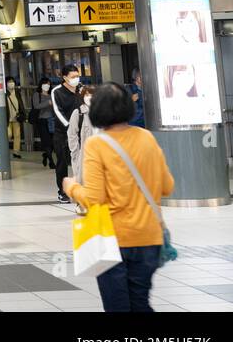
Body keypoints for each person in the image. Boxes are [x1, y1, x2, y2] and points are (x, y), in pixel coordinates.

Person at [63, 83, 175, 312]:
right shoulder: (146, 138)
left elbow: (94, 198)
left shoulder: (97, 144)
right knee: (140, 302)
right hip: (148, 238)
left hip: (112, 240)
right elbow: (167, 186)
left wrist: (71, 187)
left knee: (118, 307)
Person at [50, 65, 82, 202]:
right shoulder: (56, 91)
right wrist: (70, 128)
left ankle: (82, 188)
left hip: (80, 132)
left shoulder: (81, 89)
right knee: (62, 162)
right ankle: (62, 191)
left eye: (77, 76)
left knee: (81, 161)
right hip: (62, 133)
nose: (76, 79)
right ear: (64, 78)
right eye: (73, 77)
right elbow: (58, 112)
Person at [67, 85, 97, 185]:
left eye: (92, 95)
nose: (89, 97)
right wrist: (75, 153)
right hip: (82, 156)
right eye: (87, 95)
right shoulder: (78, 113)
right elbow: (71, 134)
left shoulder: (102, 113)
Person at [32, 80, 55, 168]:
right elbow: (36, 106)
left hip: (52, 120)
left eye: (49, 84)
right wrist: (48, 103)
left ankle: (46, 154)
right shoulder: (37, 95)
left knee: (53, 141)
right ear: (41, 85)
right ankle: (51, 162)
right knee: (46, 141)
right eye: (45, 84)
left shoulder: (51, 95)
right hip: (42, 121)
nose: (47, 86)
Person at [5, 77, 25, 159]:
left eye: (12, 81)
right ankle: (5, 150)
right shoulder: (4, 93)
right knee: (8, 135)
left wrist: (22, 113)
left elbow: (20, 103)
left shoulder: (17, 92)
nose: (11, 83)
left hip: (16, 117)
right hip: (7, 118)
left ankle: (16, 152)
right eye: (9, 82)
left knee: (17, 135)